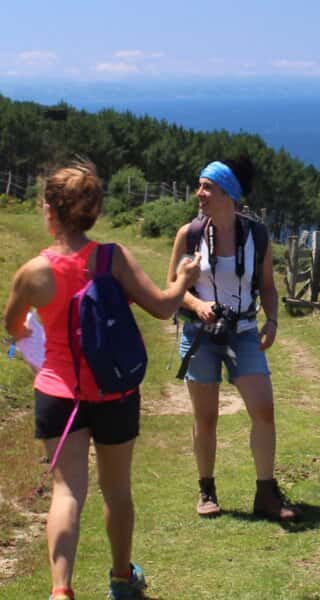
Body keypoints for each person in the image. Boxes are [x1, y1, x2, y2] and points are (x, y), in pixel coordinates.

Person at [2, 161, 201, 600]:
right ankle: (120, 579)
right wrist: (184, 279)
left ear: (50, 211)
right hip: (115, 392)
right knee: (117, 491)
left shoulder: (34, 272)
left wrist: (27, 336)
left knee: (67, 490)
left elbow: (12, 326)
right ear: (92, 212)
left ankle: (60, 590)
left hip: (58, 394)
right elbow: (165, 308)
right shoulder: (113, 259)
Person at [168, 156, 298, 521]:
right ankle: (206, 490)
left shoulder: (257, 235)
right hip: (200, 334)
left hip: (242, 331)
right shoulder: (189, 235)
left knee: (263, 410)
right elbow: (173, 288)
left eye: (207, 187)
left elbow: (269, 288)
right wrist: (198, 304)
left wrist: (271, 321)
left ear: (229, 193)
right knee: (205, 417)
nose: (200, 194)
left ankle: (266, 493)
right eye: (200, 186)